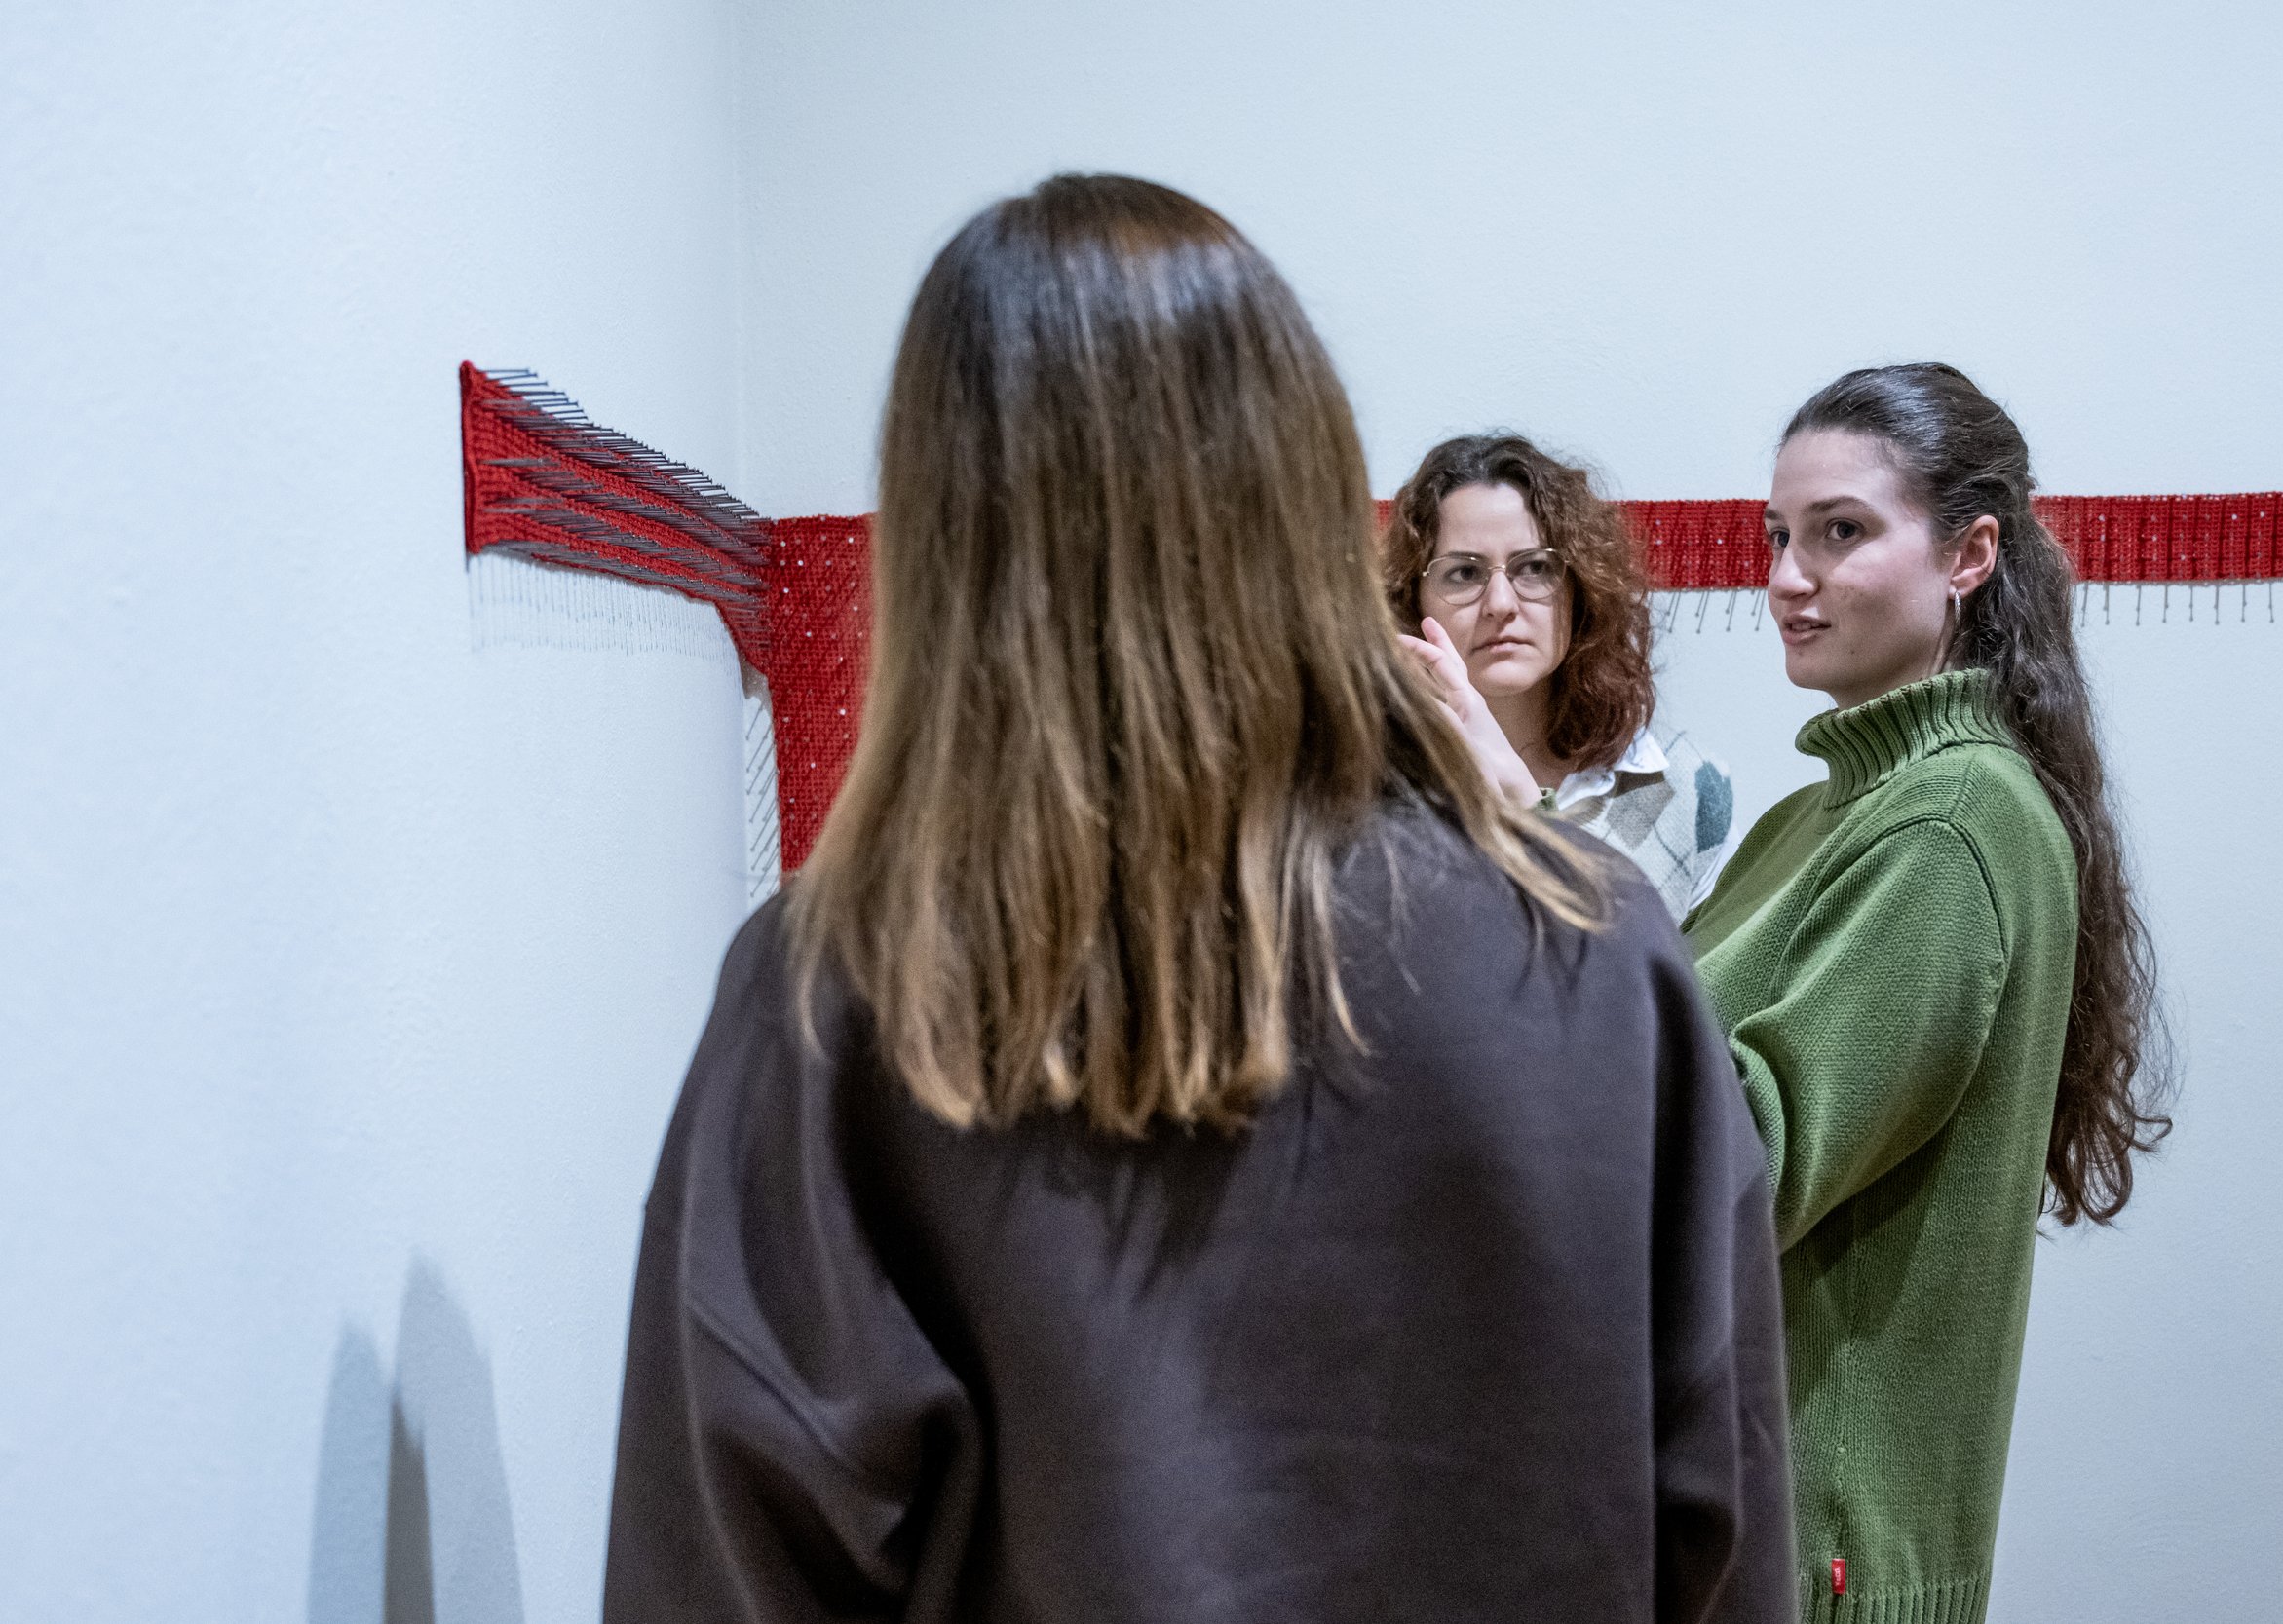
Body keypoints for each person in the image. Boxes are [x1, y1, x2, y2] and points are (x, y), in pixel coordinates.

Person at [602, 174, 1795, 1622]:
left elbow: (727, 1572)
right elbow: (1719, 1535)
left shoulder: (839, 990)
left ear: (948, 534)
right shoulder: (1599, 956)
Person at [1681, 363, 2172, 1622]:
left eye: (1841, 531)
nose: (1789, 575)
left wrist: (1506, 869)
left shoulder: (1953, 818)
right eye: (1779, 536)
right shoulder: (1821, 816)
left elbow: (1738, 1155)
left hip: (1827, 1562)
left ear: (1970, 554)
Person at [1383, 435, 1734, 919]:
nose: (1501, 604)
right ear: (1412, 599)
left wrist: (1526, 809)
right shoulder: (1374, 783)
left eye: (1535, 568)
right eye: (1464, 573)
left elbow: (1683, 991)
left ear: (1581, 588)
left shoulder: (1684, 785)